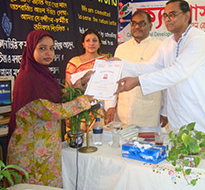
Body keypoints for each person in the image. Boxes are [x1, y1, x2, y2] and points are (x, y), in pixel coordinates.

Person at [115, 0, 205, 137]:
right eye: (165, 16)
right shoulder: (167, 43)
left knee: (203, 151)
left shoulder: (197, 38)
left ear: (187, 16)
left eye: (172, 14)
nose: (167, 19)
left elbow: (177, 72)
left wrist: (137, 81)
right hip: (177, 112)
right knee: (178, 150)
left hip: (198, 109)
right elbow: (151, 67)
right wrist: (119, 65)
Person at [7, 30, 94, 187]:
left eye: (51, 48)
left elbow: (60, 98)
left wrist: (81, 82)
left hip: (46, 150)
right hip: (31, 153)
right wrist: (82, 102)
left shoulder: (44, 75)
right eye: (42, 48)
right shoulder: (28, 78)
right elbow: (51, 111)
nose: (48, 53)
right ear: (31, 49)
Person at [112, 10, 162, 127]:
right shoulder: (121, 48)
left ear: (150, 26)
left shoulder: (160, 46)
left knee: (148, 144)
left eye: (142, 23)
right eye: (133, 23)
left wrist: (165, 111)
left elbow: (165, 80)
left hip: (149, 113)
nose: (137, 27)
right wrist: (110, 106)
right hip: (123, 112)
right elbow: (114, 78)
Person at [65, 29, 115, 125]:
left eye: (95, 40)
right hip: (79, 108)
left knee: (98, 137)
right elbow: (68, 90)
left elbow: (110, 87)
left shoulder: (105, 62)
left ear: (99, 44)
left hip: (99, 109)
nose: (91, 43)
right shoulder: (74, 62)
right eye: (88, 40)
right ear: (83, 44)